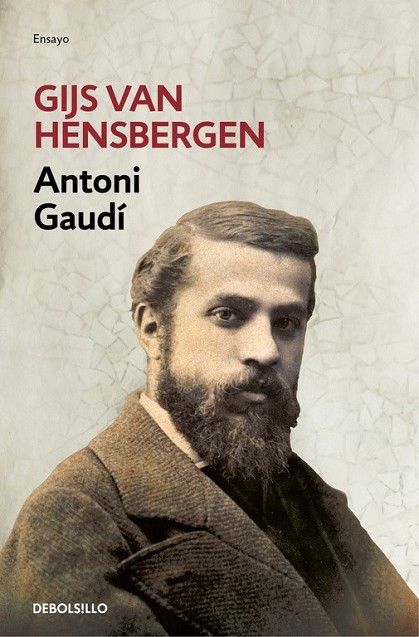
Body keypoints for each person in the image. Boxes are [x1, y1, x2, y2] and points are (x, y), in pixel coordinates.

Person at [0, 201, 417, 636]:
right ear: (153, 329)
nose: (266, 351)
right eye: (228, 315)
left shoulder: (303, 493)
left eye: (286, 322)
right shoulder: (75, 516)